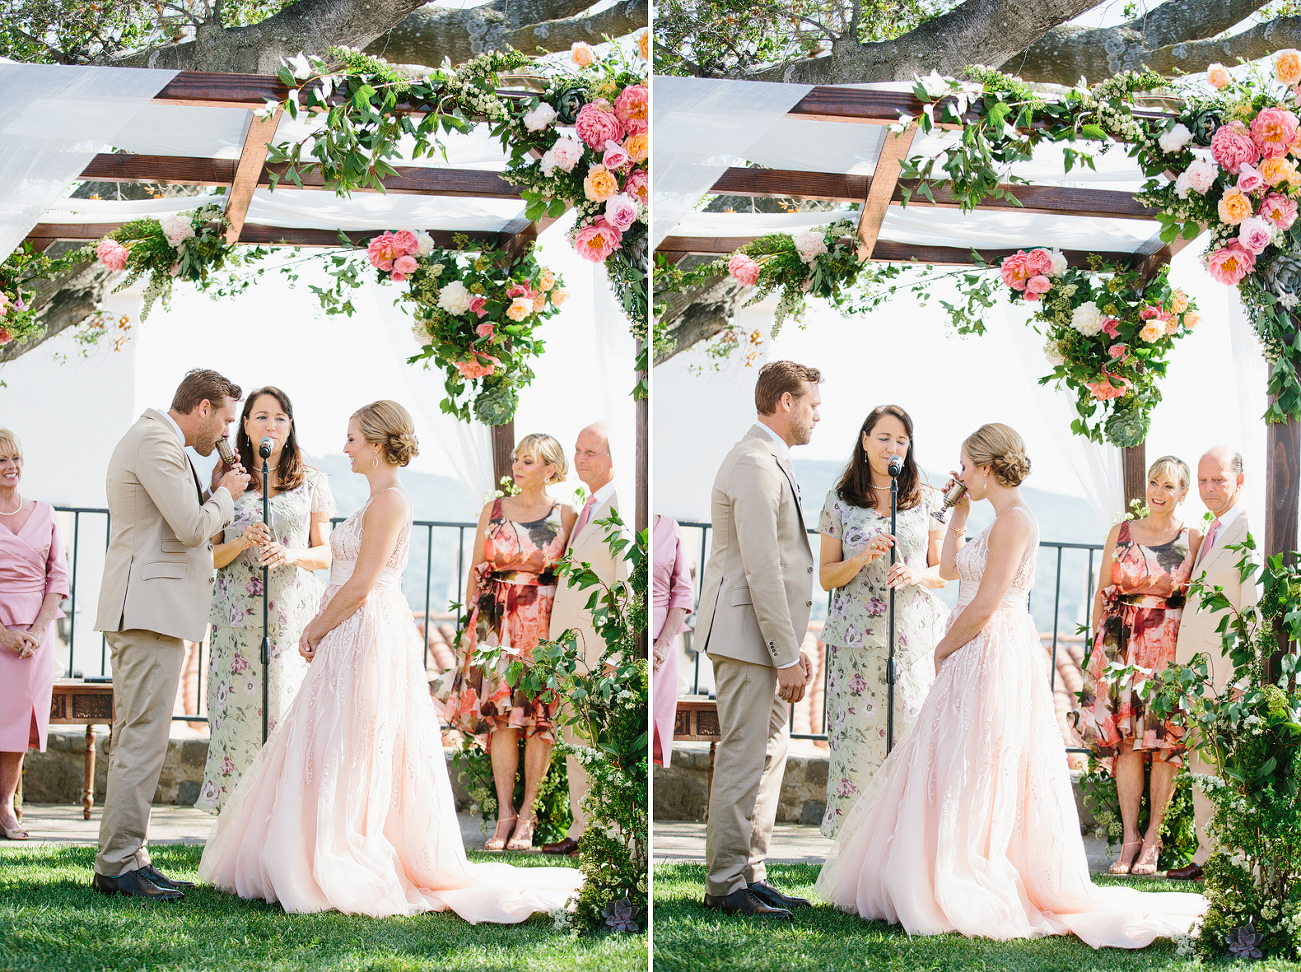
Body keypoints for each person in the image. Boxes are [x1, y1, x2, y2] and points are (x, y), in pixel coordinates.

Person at [816, 424, 1206, 948]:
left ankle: (975, 864)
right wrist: (957, 513)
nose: (960, 475)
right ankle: (938, 861)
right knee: (956, 757)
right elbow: (952, 568)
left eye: (965, 466)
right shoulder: (993, 518)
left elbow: (984, 603)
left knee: (984, 760)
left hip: (991, 646)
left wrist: (941, 647)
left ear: (985, 467)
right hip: (974, 646)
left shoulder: (1017, 520)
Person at [198, 402, 582, 920]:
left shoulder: (389, 503)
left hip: (365, 629)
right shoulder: (374, 500)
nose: (347, 446)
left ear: (377, 444)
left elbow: (361, 584)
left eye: (354, 437)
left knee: (357, 740)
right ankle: (314, 843)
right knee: (334, 737)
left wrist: (314, 627)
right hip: (351, 631)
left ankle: (349, 846)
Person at [94, 370, 249, 899]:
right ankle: (117, 866)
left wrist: (212, 491)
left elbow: (176, 519)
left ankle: (132, 854)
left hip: (153, 610)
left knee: (145, 738)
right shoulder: (155, 441)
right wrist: (225, 496)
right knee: (140, 739)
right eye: (226, 419)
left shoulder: (164, 442)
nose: (227, 432)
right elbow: (188, 528)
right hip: (145, 610)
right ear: (202, 408)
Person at [697, 360, 820, 919]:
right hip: (748, 636)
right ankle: (725, 884)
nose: (818, 416)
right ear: (786, 403)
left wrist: (796, 644)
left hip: (766, 637)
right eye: (813, 405)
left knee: (769, 758)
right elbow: (763, 568)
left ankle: (753, 872)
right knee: (745, 758)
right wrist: (786, 653)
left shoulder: (772, 459)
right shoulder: (753, 461)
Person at [197, 387, 336, 814]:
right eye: (260, 416)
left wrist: (291, 553)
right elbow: (207, 554)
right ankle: (237, 827)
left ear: (289, 426)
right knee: (237, 720)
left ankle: (285, 820)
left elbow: (326, 552)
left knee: (287, 716)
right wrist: (240, 544)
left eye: (278, 417)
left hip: (291, 619)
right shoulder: (227, 479)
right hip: (237, 623)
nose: (269, 425)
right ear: (244, 425)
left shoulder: (313, 480)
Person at [816, 405, 947, 838]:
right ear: (866, 439)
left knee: (909, 740)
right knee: (858, 747)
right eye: (885, 437)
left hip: (911, 642)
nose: (894, 447)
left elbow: (944, 570)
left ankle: (905, 846)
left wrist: (916, 574)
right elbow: (827, 576)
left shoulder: (925, 499)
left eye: (902, 441)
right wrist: (861, 557)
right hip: (855, 645)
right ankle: (857, 855)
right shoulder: (840, 499)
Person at [442, 433, 575, 852]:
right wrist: (474, 628)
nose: (517, 467)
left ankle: (529, 817)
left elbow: (569, 576)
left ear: (551, 469)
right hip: (496, 624)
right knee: (501, 719)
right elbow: (476, 569)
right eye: (517, 459)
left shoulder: (567, 515)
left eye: (529, 461)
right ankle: (504, 817)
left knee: (539, 721)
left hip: (543, 625)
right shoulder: (493, 510)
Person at [1073, 456, 1200, 877]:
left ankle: (1154, 841)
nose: (1158, 493)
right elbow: (1101, 593)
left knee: (1163, 745)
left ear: (1183, 493)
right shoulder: (1121, 532)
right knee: (1127, 743)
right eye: (1153, 483)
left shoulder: (1193, 538)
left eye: (1169, 486)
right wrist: (1100, 650)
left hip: (1167, 648)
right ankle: (1129, 840)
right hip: (1120, 646)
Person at [1166, 447, 1259, 882]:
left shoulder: (1248, 529)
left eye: (1218, 480)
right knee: (1203, 761)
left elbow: (1253, 608)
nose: (1208, 489)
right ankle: (1207, 855)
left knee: (1227, 765)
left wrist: (1242, 679)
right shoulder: (1213, 530)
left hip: (1226, 673)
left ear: (1239, 481)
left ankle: (1235, 859)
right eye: (1202, 481)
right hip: (1199, 672)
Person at [541, 422, 628, 857]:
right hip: (573, 648)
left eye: (590, 452)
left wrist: (616, 652)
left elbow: (626, 584)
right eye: (577, 450)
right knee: (576, 736)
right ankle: (582, 828)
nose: (580, 459)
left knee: (600, 741)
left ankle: (606, 830)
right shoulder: (588, 506)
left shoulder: (623, 507)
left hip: (599, 648)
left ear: (614, 458)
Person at [0, 429, 69, 841]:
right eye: (0, 461)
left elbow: (57, 577)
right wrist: (4, 635)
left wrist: (39, 630)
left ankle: (4, 808)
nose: (11, 467)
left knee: (15, 728)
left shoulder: (46, 513)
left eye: (16, 458)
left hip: (35, 639)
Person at [652, 513, 693, 768]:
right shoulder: (621, 523)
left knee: (654, 734)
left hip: (663, 646)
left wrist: (664, 643)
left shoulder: (671, 527)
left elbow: (683, 591)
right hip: (625, 635)